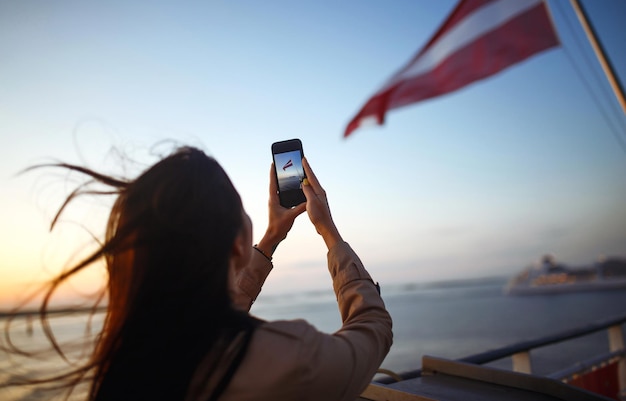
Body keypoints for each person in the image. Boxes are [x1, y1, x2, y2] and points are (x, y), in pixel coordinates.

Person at [2, 146, 392, 401]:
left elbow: (206, 310)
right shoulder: (285, 357)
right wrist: (329, 233)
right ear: (237, 242)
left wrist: (271, 238)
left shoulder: (130, 354)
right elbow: (371, 331)